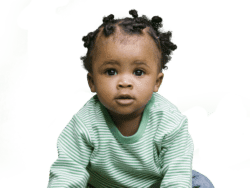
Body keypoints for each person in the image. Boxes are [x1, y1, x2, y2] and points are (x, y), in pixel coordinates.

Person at [47, 8, 195, 187]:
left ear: (157, 82)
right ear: (92, 82)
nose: (125, 82)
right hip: (103, 185)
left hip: (155, 183)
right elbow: (68, 171)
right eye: (111, 72)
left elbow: (176, 175)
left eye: (138, 72)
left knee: (199, 182)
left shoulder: (169, 121)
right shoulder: (85, 122)